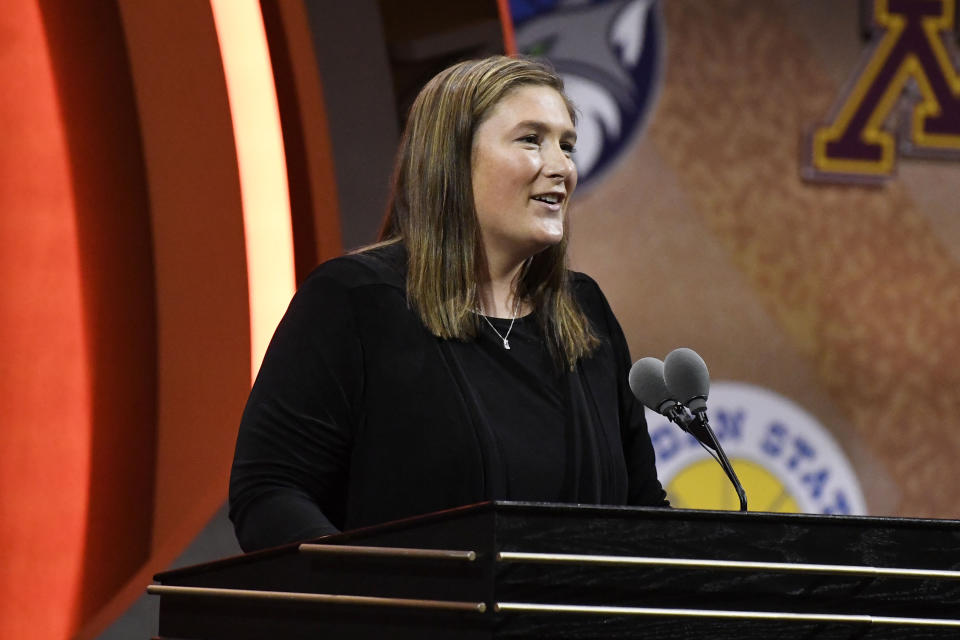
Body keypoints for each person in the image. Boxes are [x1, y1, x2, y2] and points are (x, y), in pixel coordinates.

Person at [228, 55, 667, 553]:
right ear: (453, 158)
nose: (561, 167)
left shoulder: (583, 311)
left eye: (566, 145)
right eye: (531, 139)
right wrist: (362, 595)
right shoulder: (356, 301)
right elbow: (269, 493)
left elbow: (642, 506)